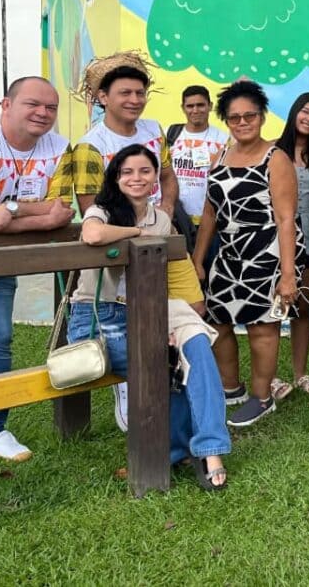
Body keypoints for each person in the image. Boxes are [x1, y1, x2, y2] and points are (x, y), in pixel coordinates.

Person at [74, 145, 230, 490]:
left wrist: (171, 318)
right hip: (101, 314)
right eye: (127, 172)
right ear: (116, 177)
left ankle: (210, 449)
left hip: (153, 308)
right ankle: (173, 450)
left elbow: (176, 268)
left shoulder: (160, 218)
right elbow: (93, 235)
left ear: (156, 177)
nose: (137, 178)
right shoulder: (102, 210)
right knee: (164, 360)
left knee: (197, 345)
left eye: (145, 171)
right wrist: (136, 233)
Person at [0, 76, 74, 462]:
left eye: (51, 107)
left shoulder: (60, 147)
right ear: (6, 105)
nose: (43, 113)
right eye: (32, 104)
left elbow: (62, 211)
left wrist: (9, 209)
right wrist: (42, 216)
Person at [191, 80, 303, 428]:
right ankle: (231, 388)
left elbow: (286, 219)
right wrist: (198, 260)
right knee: (217, 321)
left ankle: (262, 397)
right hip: (228, 253)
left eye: (249, 116)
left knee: (262, 328)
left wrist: (288, 275)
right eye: (234, 117)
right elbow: (209, 213)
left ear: (262, 116)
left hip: (267, 252)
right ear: (226, 120)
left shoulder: (276, 158)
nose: (242, 123)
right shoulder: (220, 155)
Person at [271, 92, 309, 402]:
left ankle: (300, 373)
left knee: (301, 308)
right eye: (306, 111)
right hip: (271, 243)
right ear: (295, 111)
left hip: (307, 241)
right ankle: (268, 377)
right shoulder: (271, 151)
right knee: (268, 312)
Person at [72, 62, 177, 217]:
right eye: (125, 93)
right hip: (120, 230)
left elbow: (167, 176)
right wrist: (134, 227)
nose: (135, 100)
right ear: (103, 97)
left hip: (160, 225)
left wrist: (167, 208)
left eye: (140, 93)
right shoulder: (90, 147)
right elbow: (91, 210)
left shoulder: (154, 130)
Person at [166, 85, 228, 243]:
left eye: (200, 105)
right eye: (190, 106)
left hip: (209, 220)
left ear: (210, 106)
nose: (195, 110)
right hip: (175, 218)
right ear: (183, 108)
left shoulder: (224, 139)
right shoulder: (168, 134)